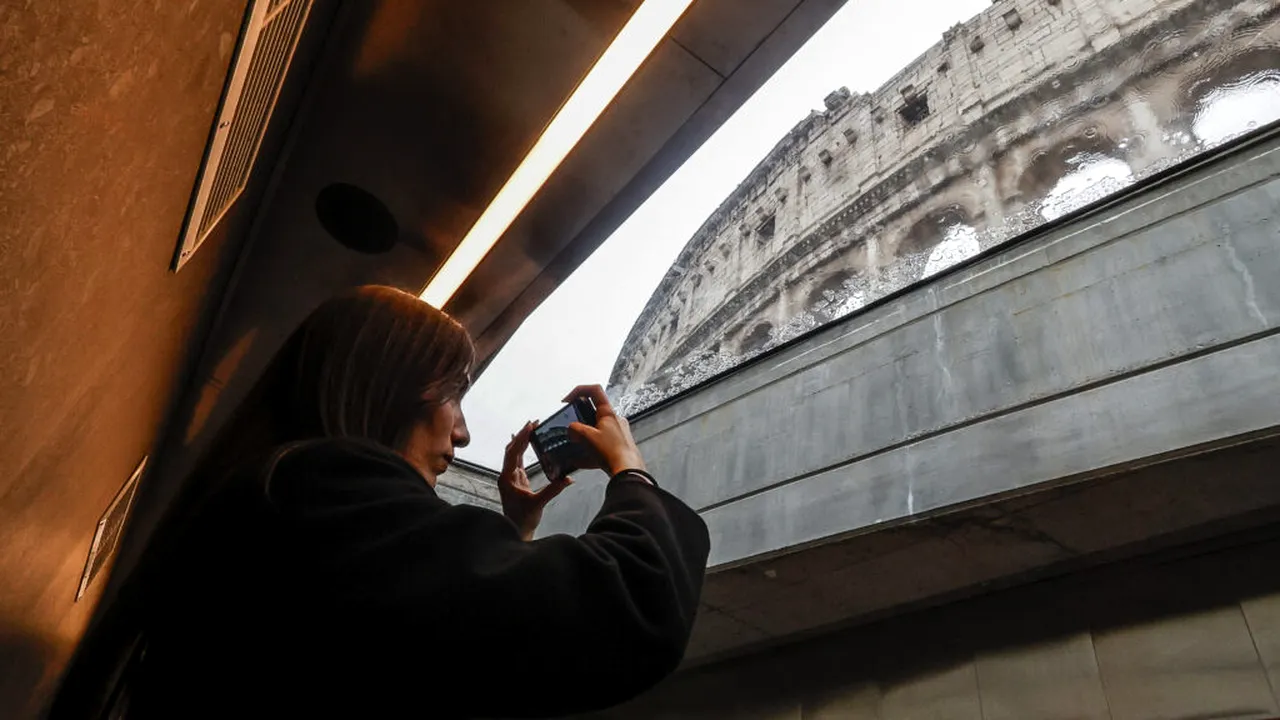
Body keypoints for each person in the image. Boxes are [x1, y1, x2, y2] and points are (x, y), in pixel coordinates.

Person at [119, 286, 711, 718]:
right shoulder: (320, 489)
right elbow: (626, 605)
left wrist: (515, 535)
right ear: (391, 388)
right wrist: (630, 470)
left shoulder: (273, 499)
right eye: (453, 396)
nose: (462, 433)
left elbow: (462, 650)